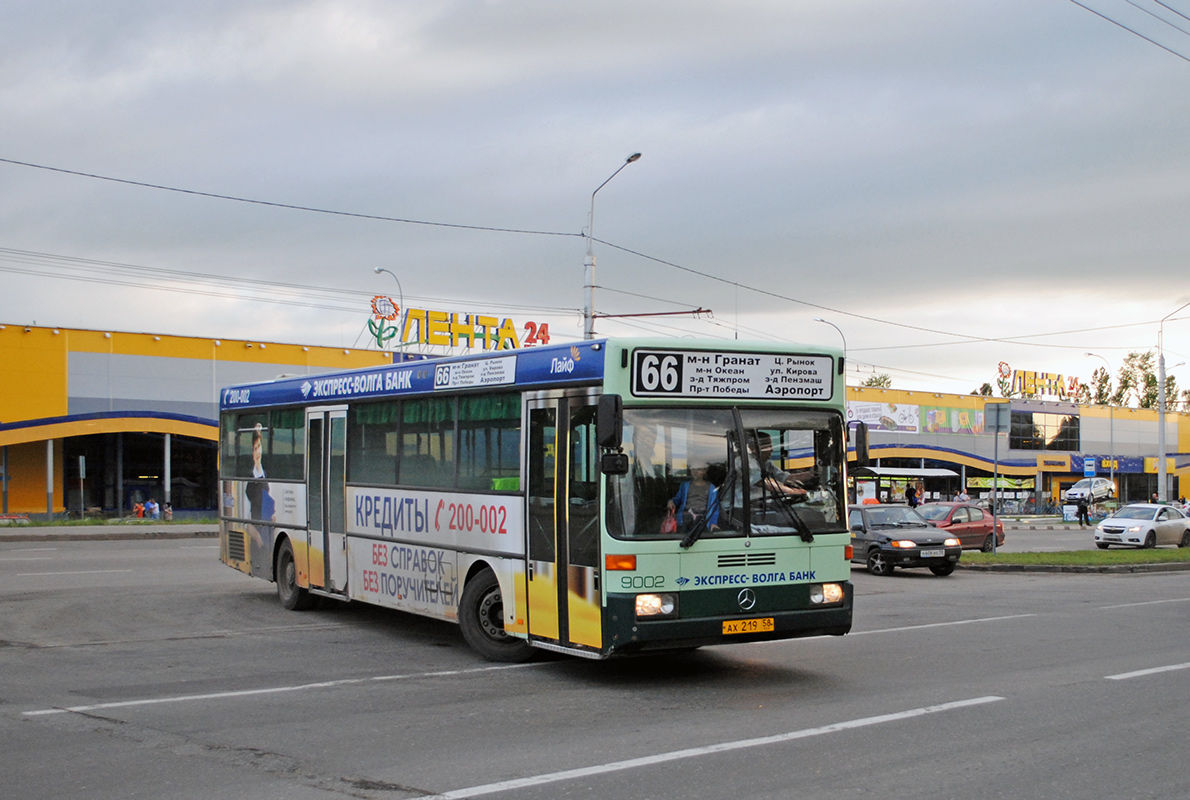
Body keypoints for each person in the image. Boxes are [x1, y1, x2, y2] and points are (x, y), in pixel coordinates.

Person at [667, 463, 720, 534]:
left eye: (698, 469)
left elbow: (714, 507)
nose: (695, 471)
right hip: (685, 518)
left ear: (705, 471)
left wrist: (713, 523)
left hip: (702, 519)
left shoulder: (711, 488)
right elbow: (677, 499)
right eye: (693, 469)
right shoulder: (685, 485)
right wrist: (671, 501)